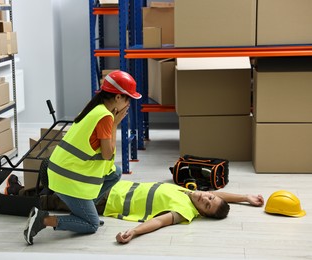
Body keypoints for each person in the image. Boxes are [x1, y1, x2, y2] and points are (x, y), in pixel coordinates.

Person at [23, 70, 142, 245]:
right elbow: (107, 154)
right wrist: (116, 124)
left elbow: (106, 160)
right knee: (92, 225)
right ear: (118, 97)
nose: (128, 104)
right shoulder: (106, 117)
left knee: (115, 173)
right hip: (67, 178)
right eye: (128, 99)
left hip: (61, 170)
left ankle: (85, 212)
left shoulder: (95, 108)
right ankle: (42, 220)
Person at [14, 172, 263, 244]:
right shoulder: (187, 192)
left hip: (108, 202)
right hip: (113, 187)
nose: (205, 198)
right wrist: (245, 197)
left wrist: (134, 233)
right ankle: (17, 190)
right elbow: (220, 195)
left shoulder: (185, 211)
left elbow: (159, 222)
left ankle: (12, 199)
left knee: (56, 200)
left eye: (207, 205)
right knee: (62, 189)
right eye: (209, 196)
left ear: (203, 213)